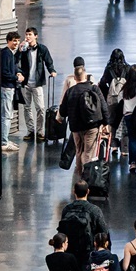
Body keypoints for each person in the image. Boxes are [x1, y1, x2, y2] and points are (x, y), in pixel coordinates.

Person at [58, 61, 110, 192]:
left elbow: (63, 111)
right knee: (88, 152)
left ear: (75, 78)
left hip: (75, 127)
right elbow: (103, 106)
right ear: (85, 76)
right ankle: (86, 181)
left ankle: (80, 178)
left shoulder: (70, 91)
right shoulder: (94, 89)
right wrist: (106, 123)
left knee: (79, 151)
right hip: (91, 126)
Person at [20, 27, 56, 139]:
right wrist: (20, 50)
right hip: (25, 83)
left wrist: (52, 71)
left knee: (40, 107)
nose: (27, 37)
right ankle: (30, 130)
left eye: (30, 34)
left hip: (37, 82)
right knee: (27, 108)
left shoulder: (42, 49)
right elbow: (16, 61)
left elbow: (48, 61)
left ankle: (40, 131)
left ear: (35, 36)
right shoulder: (24, 49)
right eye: (26, 35)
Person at [0, 32, 23, 152]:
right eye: (14, 40)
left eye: (17, 40)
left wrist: (17, 72)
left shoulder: (10, 54)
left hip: (9, 88)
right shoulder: (6, 54)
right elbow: (4, 73)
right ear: (8, 41)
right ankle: (4, 142)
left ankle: (5, 139)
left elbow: (13, 67)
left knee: (7, 115)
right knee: (6, 116)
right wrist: (16, 78)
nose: (16, 43)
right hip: (6, 88)